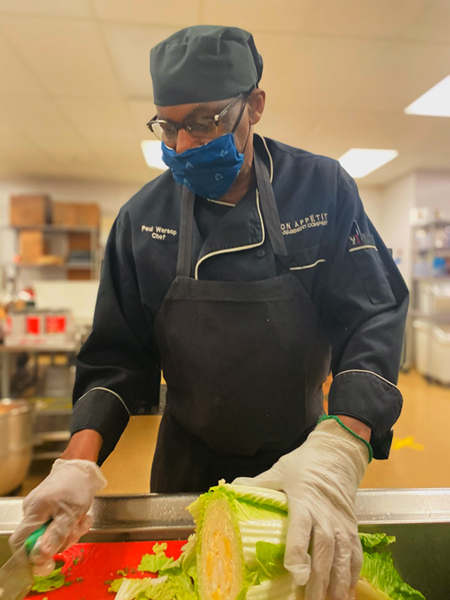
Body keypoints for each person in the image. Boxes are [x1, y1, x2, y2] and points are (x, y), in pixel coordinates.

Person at [10, 25, 408, 599]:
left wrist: (343, 442)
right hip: (186, 463)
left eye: (204, 122)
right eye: (167, 125)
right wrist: (75, 463)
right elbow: (118, 359)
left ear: (255, 106)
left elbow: (373, 314)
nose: (183, 145)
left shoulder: (321, 190)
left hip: (301, 458)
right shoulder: (140, 220)